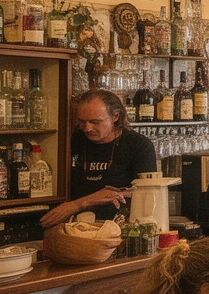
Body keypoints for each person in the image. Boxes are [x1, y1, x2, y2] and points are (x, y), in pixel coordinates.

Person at [43, 90, 158, 228]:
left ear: (115, 116)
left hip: (119, 227)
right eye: (82, 121)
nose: (87, 128)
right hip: (76, 226)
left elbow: (147, 193)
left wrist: (79, 204)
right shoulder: (74, 140)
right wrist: (86, 201)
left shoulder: (138, 145)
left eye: (95, 122)